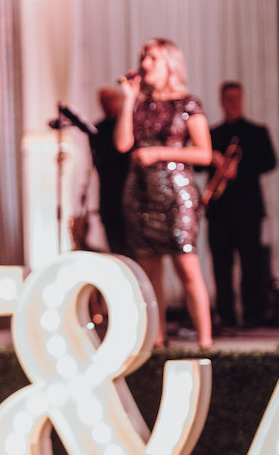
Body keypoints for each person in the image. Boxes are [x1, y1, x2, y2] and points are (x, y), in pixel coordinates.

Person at [116, 37, 213, 349]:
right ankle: (157, 340)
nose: (145, 64)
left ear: (169, 64)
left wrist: (158, 153)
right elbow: (121, 144)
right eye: (144, 57)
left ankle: (206, 342)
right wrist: (129, 99)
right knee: (149, 269)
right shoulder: (138, 104)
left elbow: (205, 154)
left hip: (175, 193)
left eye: (153, 59)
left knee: (187, 265)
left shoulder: (188, 104)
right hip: (140, 192)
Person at [204, 81, 278, 329]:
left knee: (251, 264)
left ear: (243, 99)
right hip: (219, 211)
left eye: (237, 98)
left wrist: (240, 168)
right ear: (221, 101)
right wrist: (212, 159)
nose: (233, 103)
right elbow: (197, 164)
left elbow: (270, 161)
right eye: (229, 98)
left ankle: (253, 315)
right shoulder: (211, 134)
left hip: (248, 209)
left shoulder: (257, 132)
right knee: (221, 265)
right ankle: (226, 316)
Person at [89, 87, 131, 256]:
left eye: (111, 98)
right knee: (116, 249)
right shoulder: (97, 130)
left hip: (129, 196)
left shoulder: (129, 127)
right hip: (108, 198)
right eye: (103, 99)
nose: (107, 103)